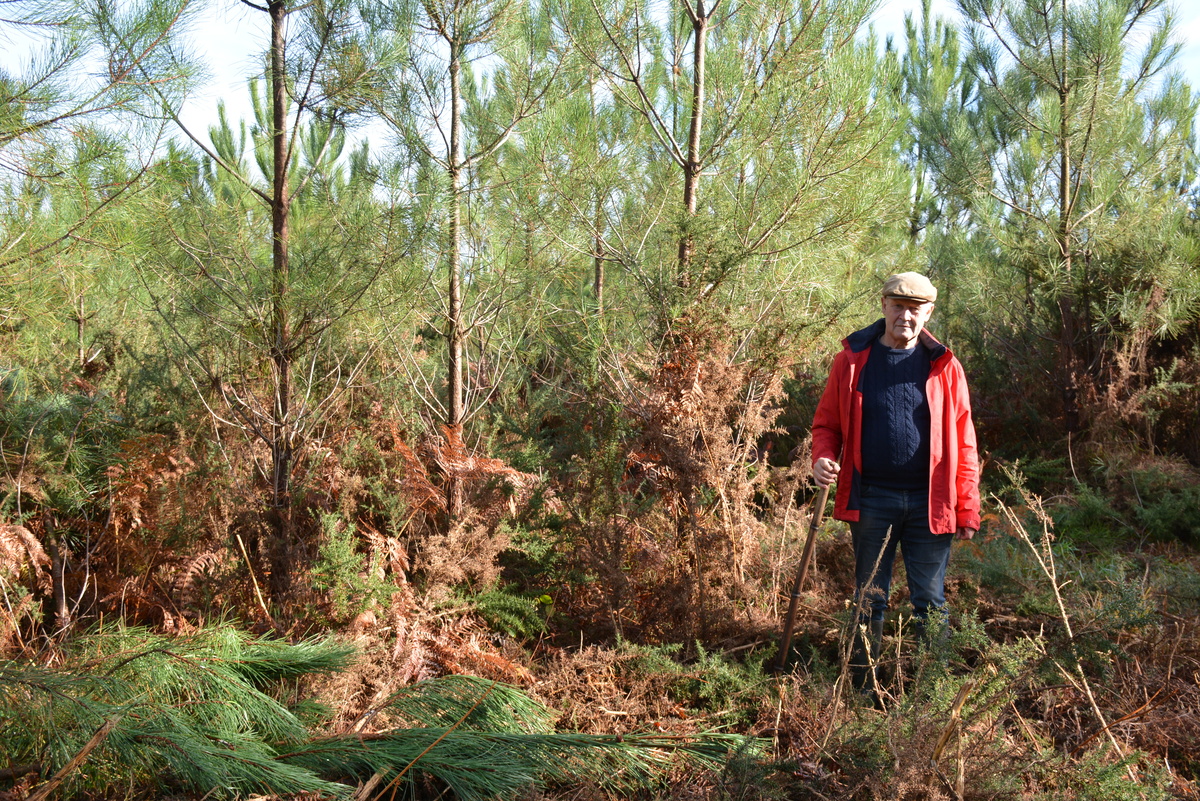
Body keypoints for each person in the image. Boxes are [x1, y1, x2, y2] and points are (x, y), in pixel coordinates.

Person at [810, 272, 980, 693]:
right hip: (872, 500)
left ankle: (929, 694)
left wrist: (967, 505)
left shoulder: (945, 365)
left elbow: (964, 439)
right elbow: (826, 424)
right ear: (883, 305)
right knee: (869, 598)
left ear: (929, 312)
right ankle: (861, 693)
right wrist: (823, 458)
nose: (906, 315)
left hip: (931, 503)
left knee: (930, 601)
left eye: (915, 308)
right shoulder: (852, 360)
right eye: (898, 306)